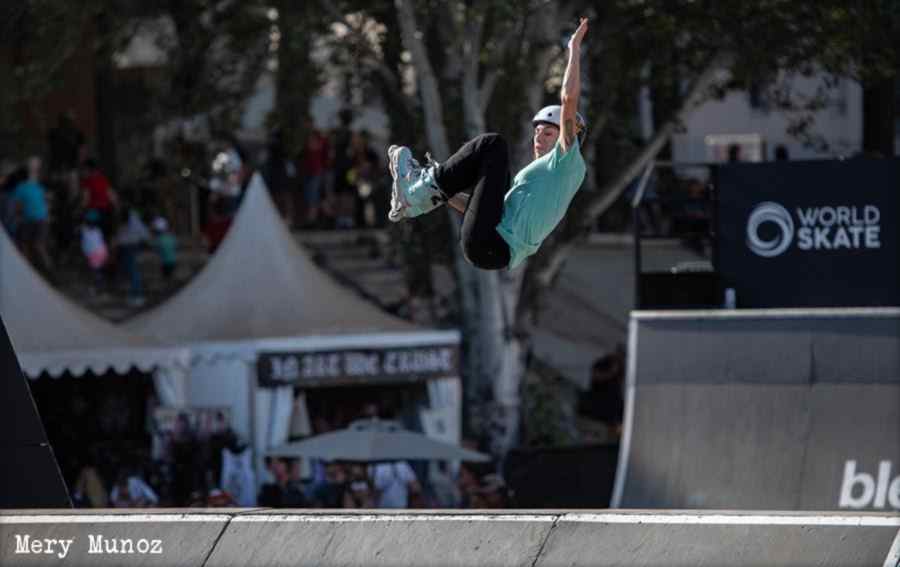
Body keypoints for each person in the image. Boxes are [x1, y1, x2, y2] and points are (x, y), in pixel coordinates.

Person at [386, 17, 589, 271]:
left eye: (548, 133)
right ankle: (417, 193)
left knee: (492, 145)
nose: (538, 136)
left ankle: (416, 191)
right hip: (488, 244)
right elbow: (478, 209)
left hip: (493, 244)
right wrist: (447, 182)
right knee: (484, 164)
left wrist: (574, 49)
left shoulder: (567, 162)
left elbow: (569, 98)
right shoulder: (539, 182)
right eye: (537, 131)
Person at [151, 216, 178, 284]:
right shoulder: (171, 237)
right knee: (170, 276)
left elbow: (154, 247)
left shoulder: (159, 239)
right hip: (173, 260)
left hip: (165, 262)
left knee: (166, 277)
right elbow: (176, 245)